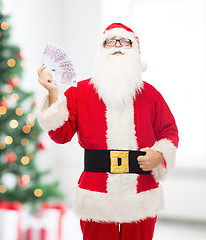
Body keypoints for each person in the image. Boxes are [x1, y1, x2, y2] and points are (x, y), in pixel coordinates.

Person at [36, 23, 179, 240]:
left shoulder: (151, 95)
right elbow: (61, 135)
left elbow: (169, 131)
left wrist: (159, 155)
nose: (117, 46)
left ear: (136, 52)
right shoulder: (80, 93)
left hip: (141, 193)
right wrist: (54, 93)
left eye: (125, 42)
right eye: (110, 42)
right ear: (100, 52)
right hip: (97, 195)